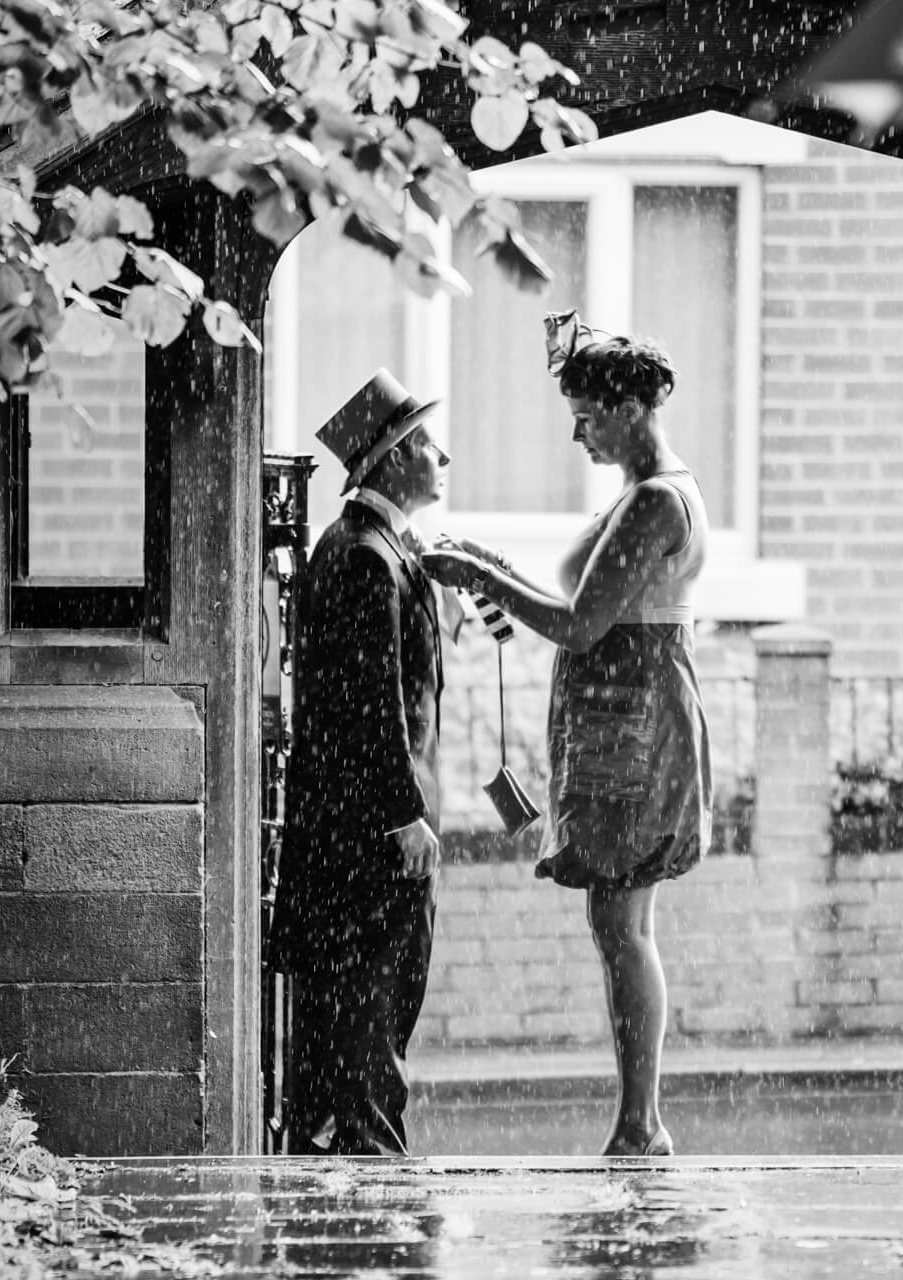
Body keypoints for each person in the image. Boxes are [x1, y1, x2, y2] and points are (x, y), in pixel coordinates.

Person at [423, 320, 712, 1158]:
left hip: (635, 722)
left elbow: (583, 623)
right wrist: (486, 556)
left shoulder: (657, 500)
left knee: (623, 924)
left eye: (587, 414)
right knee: (614, 921)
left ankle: (641, 1123)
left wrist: (478, 577)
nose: (576, 431)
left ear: (628, 408)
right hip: (618, 719)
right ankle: (638, 1120)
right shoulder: (637, 490)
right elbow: (580, 600)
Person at [271, 368, 450, 1156]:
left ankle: (344, 1176)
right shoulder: (364, 558)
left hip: (358, 839)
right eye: (430, 446)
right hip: (370, 844)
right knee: (370, 1017)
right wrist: (403, 813)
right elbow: (371, 704)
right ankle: (376, 1195)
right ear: (396, 459)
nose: (444, 459)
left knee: (360, 1017)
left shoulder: (373, 549)